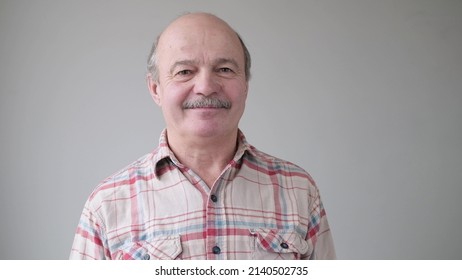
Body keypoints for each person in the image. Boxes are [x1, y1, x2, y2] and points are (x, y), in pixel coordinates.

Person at [70, 12, 336, 260]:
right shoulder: (106, 205)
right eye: (185, 71)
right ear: (155, 89)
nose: (206, 87)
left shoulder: (299, 191)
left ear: (245, 85)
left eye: (225, 69)